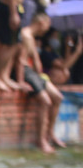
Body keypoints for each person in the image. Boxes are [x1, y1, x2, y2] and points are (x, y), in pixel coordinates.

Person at [18, 10, 65, 153]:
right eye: (47, 25)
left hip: (33, 72)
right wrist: (20, 81)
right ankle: (40, 140)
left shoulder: (32, 37)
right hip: (25, 72)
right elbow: (20, 60)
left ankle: (50, 133)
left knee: (57, 97)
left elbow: (35, 60)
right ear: (41, 23)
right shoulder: (25, 35)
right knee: (45, 101)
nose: (47, 29)